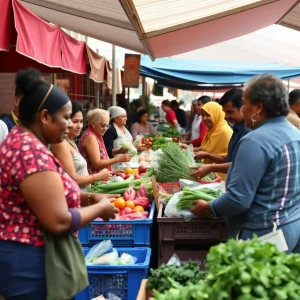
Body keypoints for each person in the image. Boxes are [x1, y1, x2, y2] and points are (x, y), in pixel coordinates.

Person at [0, 69, 119, 299]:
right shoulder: (30, 152)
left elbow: (43, 196)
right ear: (45, 117)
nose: (69, 125)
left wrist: (88, 197)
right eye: (65, 117)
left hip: (24, 258)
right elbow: (58, 221)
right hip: (30, 264)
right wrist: (99, 208)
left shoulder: (24, 142)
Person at [191, 73, 300, 254]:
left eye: (245, 104)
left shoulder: (254, 141)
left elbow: (238, 199)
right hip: (291, 228)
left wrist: (210, 207)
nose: (242, 110)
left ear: (258, 107)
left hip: (261, 236)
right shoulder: (295, 134)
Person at [51, 101, 112, 192]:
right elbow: (73, 179)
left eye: (81, 121)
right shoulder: (60, 144)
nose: (79, 126)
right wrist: (98, 176)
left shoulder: (71, 142)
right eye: (75, 121)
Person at [191, 88, 251, 179]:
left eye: (230, 112)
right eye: (225, 112)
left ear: (243, 108)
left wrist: (211, 167)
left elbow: (241, 165)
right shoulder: (236, 129)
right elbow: (229, 158)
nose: (226, 116)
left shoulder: (247, 132)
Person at [79, 108, 131, 174]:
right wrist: (118, 159)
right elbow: (96, 163)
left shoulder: (96, 135)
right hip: (95, 181)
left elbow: (102, 159)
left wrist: (112, 172)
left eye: (107, 126)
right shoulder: (91, 137)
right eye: (103, 126)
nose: (105, 129)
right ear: (93, 124)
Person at [191, 101, 233, 180]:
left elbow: (227, 160)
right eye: (203, 115)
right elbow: (205, 148)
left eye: (208, 115)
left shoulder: (224, 131)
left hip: (221, 178)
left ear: (216, 114)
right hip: (210, 174)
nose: (204, 118)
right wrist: (188, 149)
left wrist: (207, 155)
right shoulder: (211, 129)